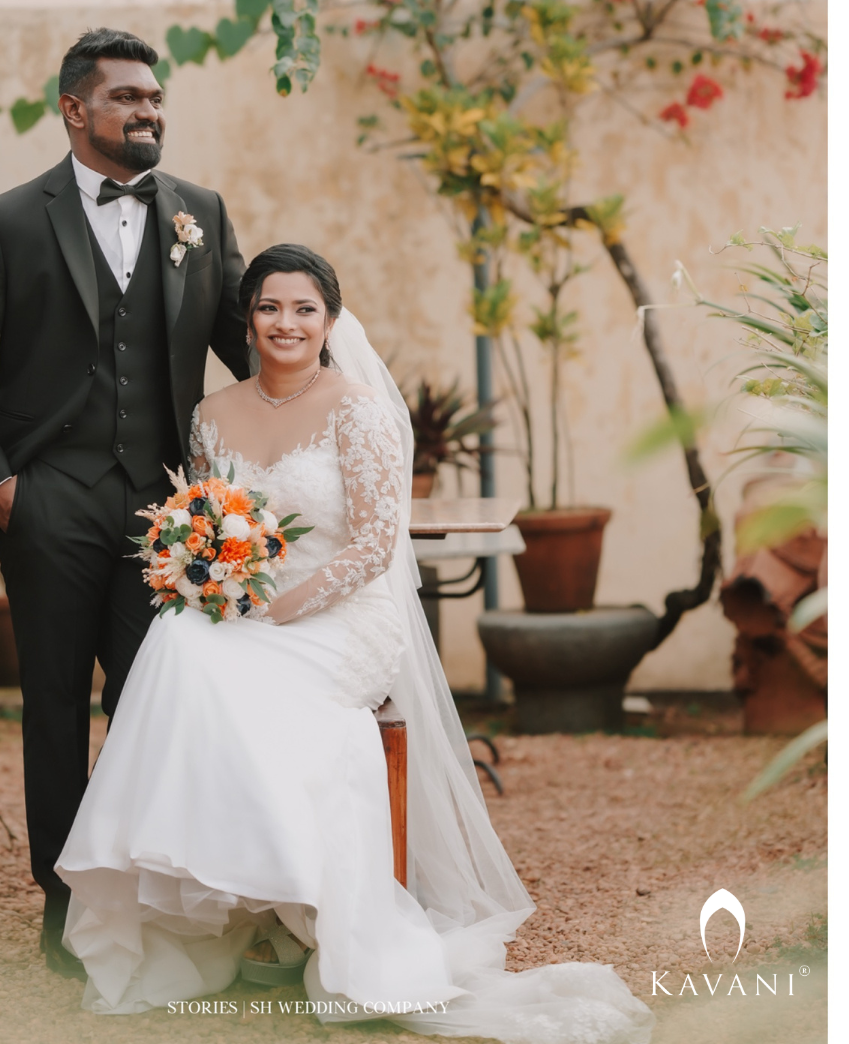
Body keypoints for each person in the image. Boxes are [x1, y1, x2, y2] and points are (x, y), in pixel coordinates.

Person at [54, 244, 656, 1042]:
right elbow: (205, 519)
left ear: (330, 321)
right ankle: (210, 892)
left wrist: (283, 606)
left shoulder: (357, 408)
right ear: (248, 319)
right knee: (176, 639)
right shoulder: (212, 415)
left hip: (343, 615)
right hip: (247, 608)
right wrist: (209, 582)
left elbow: (375, 545)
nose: (286, 323)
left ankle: (302, 902)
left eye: (305, 309)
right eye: (270, 307)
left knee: (214, 665)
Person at [0, 28, 249, 979]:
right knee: (55, 706)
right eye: (127, 98)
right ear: (75, 109)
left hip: (165, 511)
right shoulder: (11, 222)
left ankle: (147, 896)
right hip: (49, 502)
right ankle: (63, 911)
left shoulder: (201, 213)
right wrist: (4, 491)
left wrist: (324, 413)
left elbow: (247, 347)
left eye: (155, 98)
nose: (149, 112)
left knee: (152, 708)